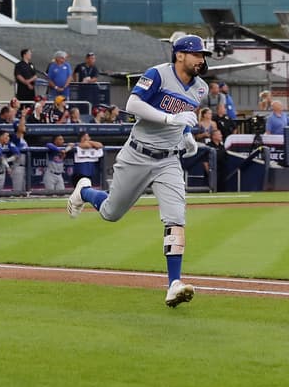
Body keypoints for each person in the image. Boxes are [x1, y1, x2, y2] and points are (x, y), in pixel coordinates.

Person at [67, 33, 212, 308]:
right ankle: (84, 191)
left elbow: (183, 118)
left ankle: (174, 284)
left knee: (176, 217)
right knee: (111, 212)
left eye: (203, 55)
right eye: (196, 54)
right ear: (180, 55)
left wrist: (185, 134)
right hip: (138, 153)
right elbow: (132, 105)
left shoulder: (201, 88)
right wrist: (171, 118)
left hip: (169, 160)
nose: (201, 60)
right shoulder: (158, 74)